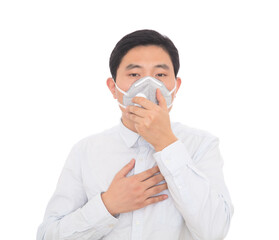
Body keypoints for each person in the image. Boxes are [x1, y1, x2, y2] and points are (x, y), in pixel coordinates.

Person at [37, 29, 234, 240]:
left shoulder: (201, 145)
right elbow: (48, 236)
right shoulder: (85, 151)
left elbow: (214, 232)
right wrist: (108, 205)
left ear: (175, 87)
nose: (148, 85)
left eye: (160, 75)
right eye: (134, 75)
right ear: (113, 88)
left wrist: (166, 143)